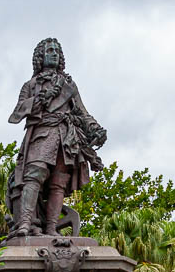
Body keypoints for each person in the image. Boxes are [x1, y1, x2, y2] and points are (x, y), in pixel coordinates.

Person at [8, 37, 106, 237]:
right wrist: (40, 100)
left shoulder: (69, 85)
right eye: (49, 50)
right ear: (40, 57)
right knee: (34, 175)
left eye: (56, 51)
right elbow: (17, 112)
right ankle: (25, 224)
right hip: (42, 134)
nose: (54, 53)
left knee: (58, 182)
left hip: (66, 138)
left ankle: (52, 228)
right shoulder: (31, 85)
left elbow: (82, 112)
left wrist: (95, 128)